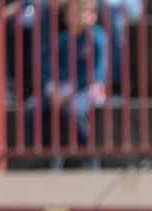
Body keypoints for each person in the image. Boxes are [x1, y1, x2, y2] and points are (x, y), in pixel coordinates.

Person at [24, 0, 107, 163]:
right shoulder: (61, 41)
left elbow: (95, 75)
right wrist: (52, 90)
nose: (78, 17)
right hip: (62, 90)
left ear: (93, 16)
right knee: (31, 113)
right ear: (66, 17)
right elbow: (51, 70)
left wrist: (68, 92)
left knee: (72, 112)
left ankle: (89, 157)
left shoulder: (98, 38)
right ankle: (49, 155)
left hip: (89, 89)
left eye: (83, 12)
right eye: (74, 13)